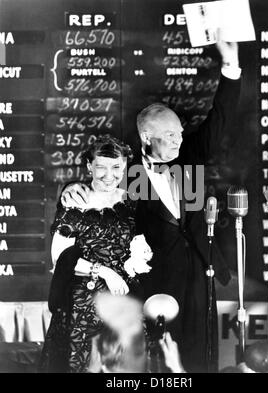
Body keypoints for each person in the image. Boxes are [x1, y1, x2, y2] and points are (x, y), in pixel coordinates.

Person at [60, 40, 241, 372]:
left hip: (202, 274)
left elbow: (222, 116)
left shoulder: (190, 159)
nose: (179, 141)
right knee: (157, 362)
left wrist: (231, 64)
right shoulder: (126, 175)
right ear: (146, 137)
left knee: (202, 358)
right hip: (154, 280)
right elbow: (95, 188)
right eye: (170, 136)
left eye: (180, 134)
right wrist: (72, 187)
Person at [39, 135, 152, 373]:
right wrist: (106, 272)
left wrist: (140, 256)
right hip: (83, 305)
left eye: (116, 168)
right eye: (101, 167)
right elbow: (59, 258)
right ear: (89, 166)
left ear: (125, 167)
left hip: (123, 301)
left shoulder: (131, 201)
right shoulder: (74, 200)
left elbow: (136, 243)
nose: (109, 175)